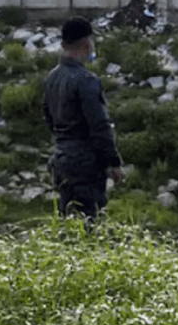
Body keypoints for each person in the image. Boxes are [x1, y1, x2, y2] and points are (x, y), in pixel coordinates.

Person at [43, 17, 123, 220]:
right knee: (89, 220)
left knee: (67, 219)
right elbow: (99, 125)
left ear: (63, 44)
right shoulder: (86, 80)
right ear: (88, 44)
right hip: (86, 162)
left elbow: (48, 118)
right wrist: (113, 162)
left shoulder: (52, 78)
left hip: (62, 158)